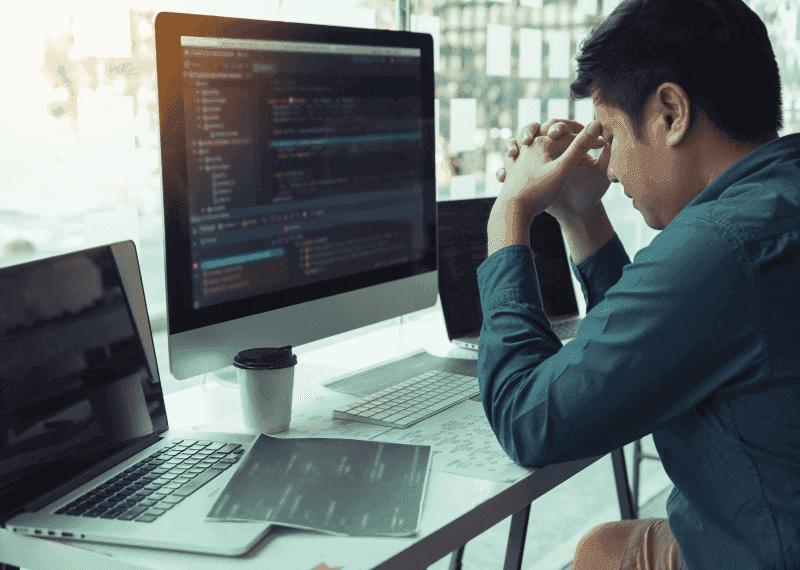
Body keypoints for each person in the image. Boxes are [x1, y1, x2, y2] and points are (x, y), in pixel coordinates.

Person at [477, 0, 800, 568]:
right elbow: (656, 349)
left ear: (670, 113)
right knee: (600, 547)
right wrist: (581, 215)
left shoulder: (720, 245)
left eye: (610, 134)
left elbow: (526, 418)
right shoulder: (776, 195)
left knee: (597, 553)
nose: (611, 167)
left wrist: (509, 213)